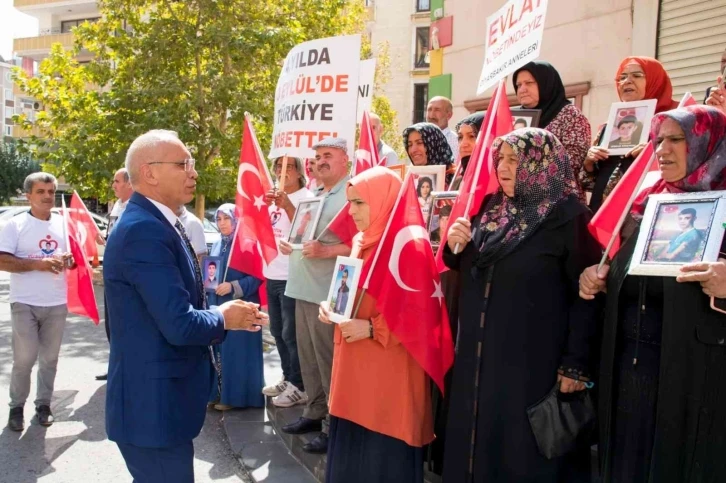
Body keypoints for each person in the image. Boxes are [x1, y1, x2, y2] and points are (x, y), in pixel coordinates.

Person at [103, 129, 268, 483]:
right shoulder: (144, 230)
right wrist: (225, 317)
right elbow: (179, 324)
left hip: (158, 405)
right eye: (184, 164)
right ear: (150, 172)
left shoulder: (157, 222)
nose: (193, 172)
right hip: (152, 408)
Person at [442, 128, 601, 482]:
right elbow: (478, 269)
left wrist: (576, 364)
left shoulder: (568, 217)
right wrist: (458, 247)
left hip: (533, 362)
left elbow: (587, 294)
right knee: (477, 443)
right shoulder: (492, 207)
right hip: (480, 359)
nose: (503, 166)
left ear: (542, 163)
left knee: (521, 453)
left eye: (515, 159)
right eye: (501, 158)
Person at [579, 106, 726, 483]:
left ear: (706, 144)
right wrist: (597, 276)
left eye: (677, 139)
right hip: (631, 371)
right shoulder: (647, 202)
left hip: (695, 380)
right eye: (659, 139)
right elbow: (621, 268)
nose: (663, 149)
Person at [321, 166, 433, 483]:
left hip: (386, 378)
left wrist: (372, 329)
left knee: (380, 463)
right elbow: (347, 293)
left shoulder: (409, 245)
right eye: (350, 202)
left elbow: (421, 312)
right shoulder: (361, 240)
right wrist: (330, 308)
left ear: (383, 201)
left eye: (359, 202)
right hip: (353, 374)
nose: (351, 211)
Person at [279, 137, 352, 454]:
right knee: (309, 361)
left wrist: (327, 250)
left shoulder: (350, 194)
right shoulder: (319, 193)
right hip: (303, 288)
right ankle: (314, 412)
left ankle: (332, 426)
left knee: (327, 363)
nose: (321, 160)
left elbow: (361, 241)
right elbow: (308, 234)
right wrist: (293, 243)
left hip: (327, 294)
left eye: (329, 156)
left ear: (345, 161)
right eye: (318, 155)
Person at [0, 172, 74, 432]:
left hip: (56, 302)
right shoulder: (14, 225)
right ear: (28, 195)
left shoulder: (64, 224)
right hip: (24, 302)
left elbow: (77, 260)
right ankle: (16, 407)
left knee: (50, 359)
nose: (47, 196)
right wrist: (38, 265)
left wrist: (69, 259)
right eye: (40, 191)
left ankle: (43, 405)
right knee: (24, 358)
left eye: (51, 191)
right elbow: (3, 260)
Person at [583, 56, 679, 212]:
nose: (627, 81)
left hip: (643, 213)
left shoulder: (673, 122)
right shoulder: (609, 126)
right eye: (622, 77)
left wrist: (652, 157)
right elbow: (589, 184)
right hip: (603, 214)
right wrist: (589, 163)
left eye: (637, 75)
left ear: (655, 81)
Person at [262, 156, 314, 408]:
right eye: (279, 167)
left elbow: (307, 228)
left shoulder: (307, 196)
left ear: (299, 171)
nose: (283, 172)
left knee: (291, 334)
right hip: (272, 272)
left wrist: (288, 206)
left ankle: (300, 386)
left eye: (289, 167)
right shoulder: (272, 198)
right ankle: (287, 377)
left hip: (292, 276)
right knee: (277, 332)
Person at [207, 204, 265, 411]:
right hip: (220, 305)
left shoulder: (247, 244)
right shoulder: (216, 244)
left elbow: (258, 276)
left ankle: (237, 398)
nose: (222, 223)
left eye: (226, 218)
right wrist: (210, 287)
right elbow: (211, 274)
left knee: (238, 353)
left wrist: (233, 286)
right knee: (220, 351)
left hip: (243, 306)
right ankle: (219, 393)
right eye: (219, 219)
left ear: (236, 219)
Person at [513, 61, 591, 195]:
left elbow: (573, 161)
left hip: (558, 201)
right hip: (519, 200)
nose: (522, 89)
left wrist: (529, 173)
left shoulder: (570, 114)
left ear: (546, 84)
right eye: (518, 85)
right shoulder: (516, 118)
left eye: (529, 83)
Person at [97, 167, 134, 381]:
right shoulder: (117, 207)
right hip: (111, 274)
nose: (113, 185)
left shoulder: (135, 208)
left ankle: (126, 368)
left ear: (130, 184)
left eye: (117, 181)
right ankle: (115, 365)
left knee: (124, 323)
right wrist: (104, 237)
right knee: (111, 323)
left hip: (125, 277)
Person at [451, 112, 485, 190]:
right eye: (460, 137)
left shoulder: (500, 184)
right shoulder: (457, 182)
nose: (463, 144)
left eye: (471, 136)